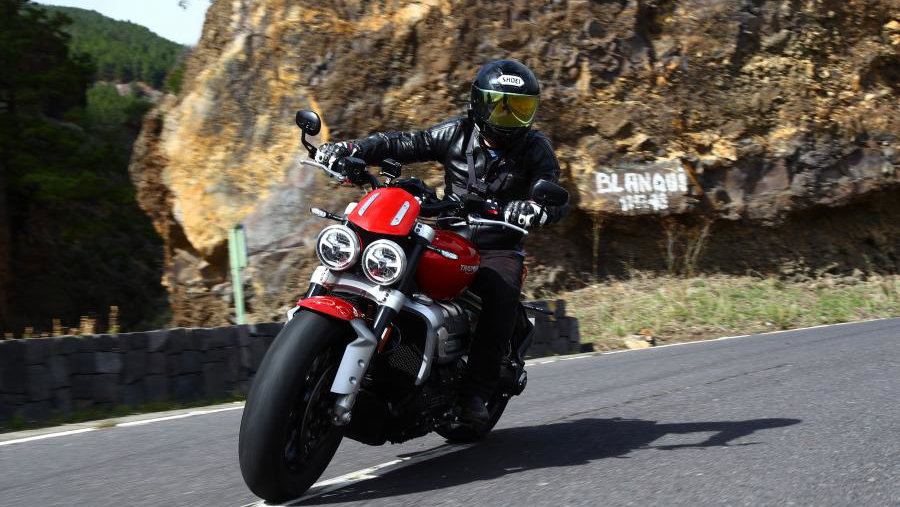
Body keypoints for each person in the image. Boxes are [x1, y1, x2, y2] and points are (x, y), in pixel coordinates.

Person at [314, 59, 566, 424]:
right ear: (479, 103)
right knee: (388, 265)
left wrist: (536, 208)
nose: (506, 115)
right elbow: (404, 142)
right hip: (449, 232)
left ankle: (476, 393)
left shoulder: (535, 147)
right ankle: (396, 359)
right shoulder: (456, 133)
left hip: (498, 244)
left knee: (501, 291)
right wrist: (351, 149)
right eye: (499, 103)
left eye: (519, 108)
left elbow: (553, 189)